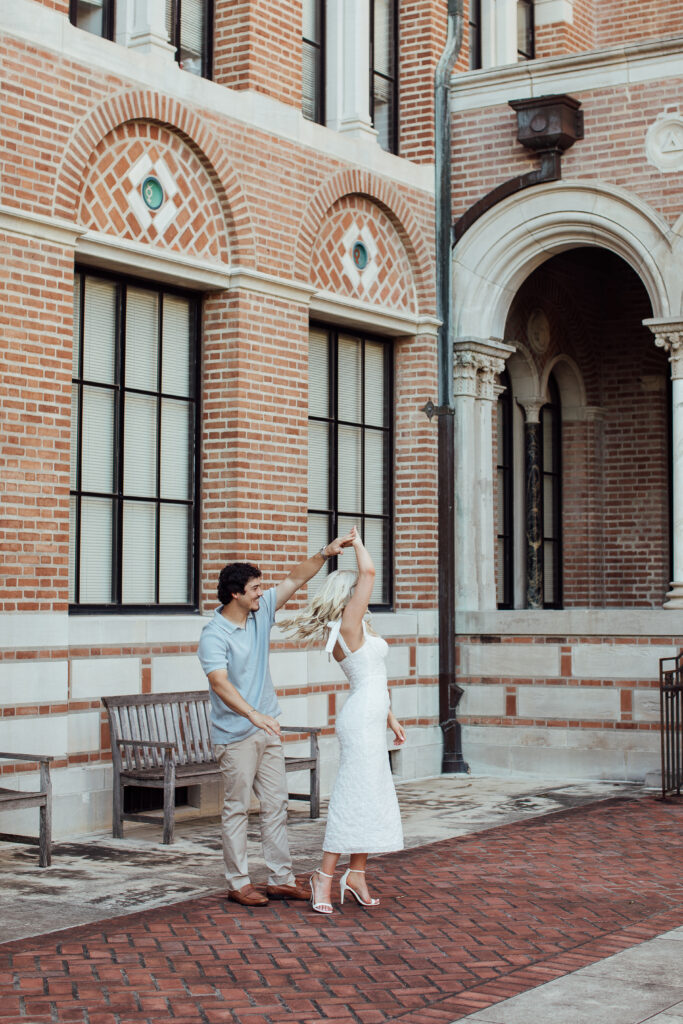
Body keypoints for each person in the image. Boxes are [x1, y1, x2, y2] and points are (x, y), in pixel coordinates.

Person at [197, 532, 353, 907]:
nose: (261, 593)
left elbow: (294, 579)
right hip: (235, 735)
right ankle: (238, 883)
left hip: (267, 729)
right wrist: (253, 714)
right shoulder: (214, 635)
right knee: (236, 809)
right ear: (235, 593)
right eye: (254, 588)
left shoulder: (260, 611)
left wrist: (324, 552)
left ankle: (281, 878)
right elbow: (219, 683)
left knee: (276, 804)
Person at [279, 526, 405, 914]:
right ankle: (325, 876)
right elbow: (367, 574)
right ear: (349, 597)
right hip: (360, 717)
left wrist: (391, 717)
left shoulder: (359, 627)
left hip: (370, 712)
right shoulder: (347, 627)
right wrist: (358, 544)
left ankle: (358, 874)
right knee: (354, 794)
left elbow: (374, 681)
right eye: (360, 593)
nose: (366, 596)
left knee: (371, 792)